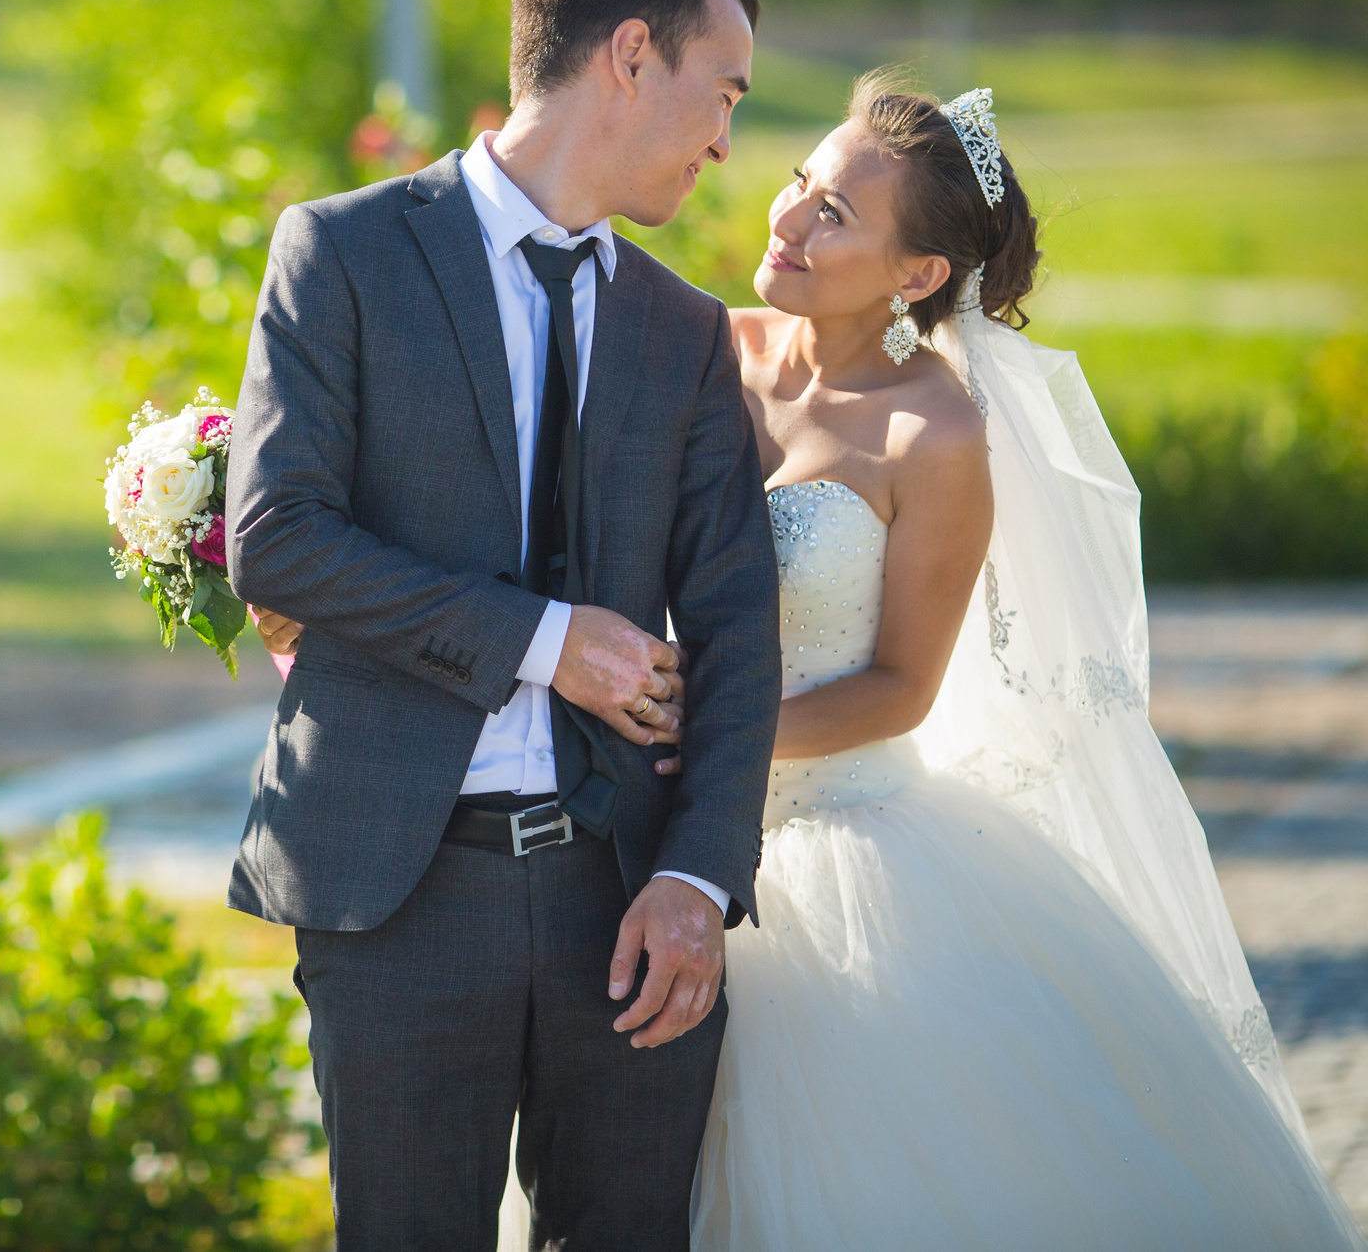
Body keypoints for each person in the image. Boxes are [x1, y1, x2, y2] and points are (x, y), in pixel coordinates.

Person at [254, 70, 1367, 1249]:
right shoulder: (686, 343)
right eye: (799, 182)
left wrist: (710, 731)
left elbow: (902, 687)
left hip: (834, 857)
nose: (784, 216)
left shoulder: (929, 436)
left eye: (833, 212)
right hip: (617, 829)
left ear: (918, 275)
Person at [223, 0, 783, 1251]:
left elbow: (736, 628)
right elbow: (274, 534)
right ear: (630, 52)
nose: (725, 143)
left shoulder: (687, 332)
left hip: (629, 904)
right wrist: (546, 639)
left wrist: (700, 883)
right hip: (397, 898)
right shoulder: (343, 252)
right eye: (725, 91)